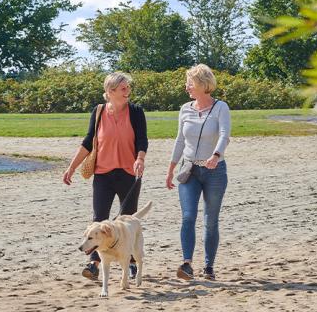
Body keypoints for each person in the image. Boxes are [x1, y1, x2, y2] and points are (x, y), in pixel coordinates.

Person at [63, 72, 147, 281]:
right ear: (110, 92)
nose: (127, 92)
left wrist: (140, 159)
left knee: (128, 219)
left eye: (128, 87)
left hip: (128, 173)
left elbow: (142, 140)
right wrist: (72, 167)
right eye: (123, 88)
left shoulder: (135, 112)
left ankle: (132, 264)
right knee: (99, 217)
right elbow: (88, 141)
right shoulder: (99, 111)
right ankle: (93, 263)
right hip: (102, 174)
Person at [165, 64, 231, 281]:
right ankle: (187, 264)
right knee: (187, 216)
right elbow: (180, 140)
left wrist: (216, 155)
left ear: (203, 84)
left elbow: (224, 134)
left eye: (190, 83)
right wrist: (171, 168)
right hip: (189, 169)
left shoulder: (221, 107)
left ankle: (209, 266)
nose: (187, 87)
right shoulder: (185, 109)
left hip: (214, 171)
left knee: (211, 220)